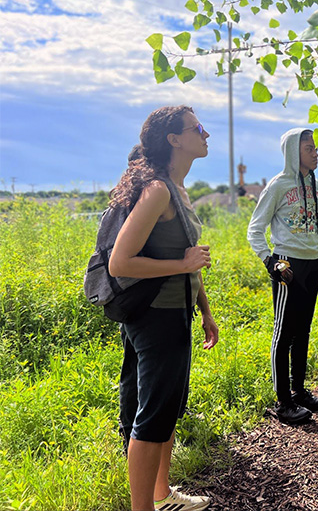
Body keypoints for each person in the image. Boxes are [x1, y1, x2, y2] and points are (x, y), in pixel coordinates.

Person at [108, 106, 219, 511]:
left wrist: (204, 309)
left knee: (166, 407)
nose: (206, 134)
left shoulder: (176, 188)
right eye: (197, 128)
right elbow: (120, 263)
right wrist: (184, 265)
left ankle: (162, 494)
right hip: (155, 317)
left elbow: (187, 255)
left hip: (176, 313)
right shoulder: (156, 190)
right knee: (152, 415)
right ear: (174, 139)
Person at [247, 128, 318, 425]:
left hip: (313, 264)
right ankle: (283, 402)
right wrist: (270, 261)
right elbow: (254, 228)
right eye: (309, 148)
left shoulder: (315, 185)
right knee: (284, 333)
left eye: (316, 148)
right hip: (287, 266)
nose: (315, 153)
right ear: (293, 151)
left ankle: (299, 391)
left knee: (303, 330)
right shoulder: (278, 185)